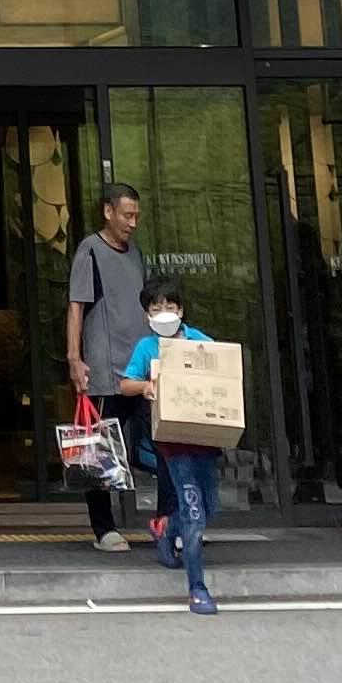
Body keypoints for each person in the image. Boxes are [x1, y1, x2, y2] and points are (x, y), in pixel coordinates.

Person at [120, 281, 222, 611]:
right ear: (147, 315)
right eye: (156, 309)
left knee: (209, 507)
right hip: (172, 441)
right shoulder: (147, 347)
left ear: (181, 311)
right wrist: (145, 387)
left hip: (205, 438)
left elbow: (223, 370)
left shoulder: (200, 342)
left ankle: (164, 528)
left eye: (170, 308)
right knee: (194, 513)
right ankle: (198, 589)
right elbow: (125, 384)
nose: (164, 314)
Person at [60, 183, 148, 552]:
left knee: (151, 444)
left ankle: (172, 519)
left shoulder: (136, 254)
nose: (132, 223)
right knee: (96, 450)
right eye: (127, 215)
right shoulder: (90, 251)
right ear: (108, 212)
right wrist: (74, 358)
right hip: (103, 369)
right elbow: (76, 306)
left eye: (136, 216)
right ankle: (104, 529)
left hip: (139, 368)